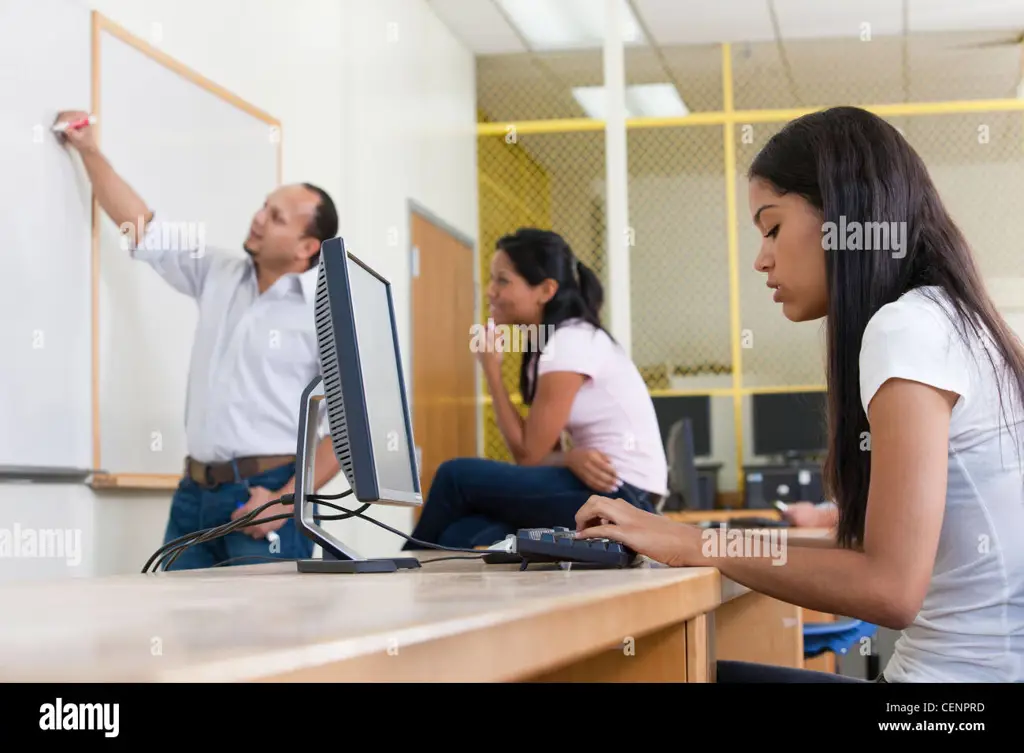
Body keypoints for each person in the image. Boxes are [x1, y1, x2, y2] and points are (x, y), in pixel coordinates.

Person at [572, 105, 1024, 683]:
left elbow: (889, 588)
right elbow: (871, 558)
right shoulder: (955, 320)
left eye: (773, 227)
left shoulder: (908, 328)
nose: (761, 258)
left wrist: (695, 544)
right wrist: (698, 539)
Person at [56, 110, 341, 569]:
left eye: (276, 216)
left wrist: (285, 502)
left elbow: (345, 435)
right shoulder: (218, 273)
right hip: (194, 496)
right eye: (263, 206)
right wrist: (88, 149)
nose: (258, 218)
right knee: (179, 635)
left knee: (261, 637)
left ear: (307, 247)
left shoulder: (324, 312)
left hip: (264, 498)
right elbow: (142, 227)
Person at [403, 228, 668, 550]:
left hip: (624, 494)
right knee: (462, 532)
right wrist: (568, 458)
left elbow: (529, 456)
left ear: (545, 290)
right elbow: (543, 454)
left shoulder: (570, 342)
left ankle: (402, 575)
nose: (490, 291)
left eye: (503, 280)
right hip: (607, 490)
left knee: (454, 476)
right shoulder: (549, 344)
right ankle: (421, 581)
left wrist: (491, 370)